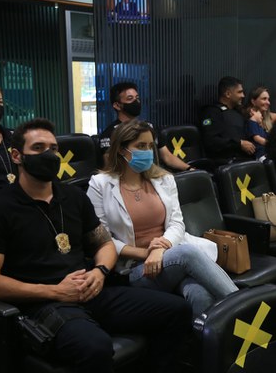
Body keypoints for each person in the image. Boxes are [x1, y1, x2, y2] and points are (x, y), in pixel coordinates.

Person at [0, 118, 191, 373]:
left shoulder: (72, 197)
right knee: (95, 347)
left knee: (176, 311)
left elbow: (104, 244)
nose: (50, 155)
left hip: (91, 287)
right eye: (38, 148)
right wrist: (55, 290)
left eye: (54, 148)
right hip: (44, 303)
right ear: (17, 156)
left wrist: (100, 272)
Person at [88, 120, 238, 315]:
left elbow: (177, 223)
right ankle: (245, 307)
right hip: (135, 268)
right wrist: (147, 253)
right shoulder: (99, 184)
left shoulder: (164, 179)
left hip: (169, 256)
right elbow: (103, 239)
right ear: (122, 150)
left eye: (151, 146)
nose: (148, 151)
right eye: (141, 146)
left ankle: (207, 334)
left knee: (200, 294)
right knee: (187, 253)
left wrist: (161, 249)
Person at [99, 82, 193, 172]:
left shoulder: (149, 127)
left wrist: (189, 169)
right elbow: (110, 167)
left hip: (156, 175)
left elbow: (167, 157)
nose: (136, 101)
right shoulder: (110, 133)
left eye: (137, 98)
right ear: (117, 105)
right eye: (130, 98)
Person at [200, 76, 254, 164]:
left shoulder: (239, 113)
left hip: (245, 161)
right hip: (226, 164)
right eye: (239, 92)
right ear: (228, 94)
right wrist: (239, 144)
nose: (243, 96)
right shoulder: (212, 112)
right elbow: (211, 141)